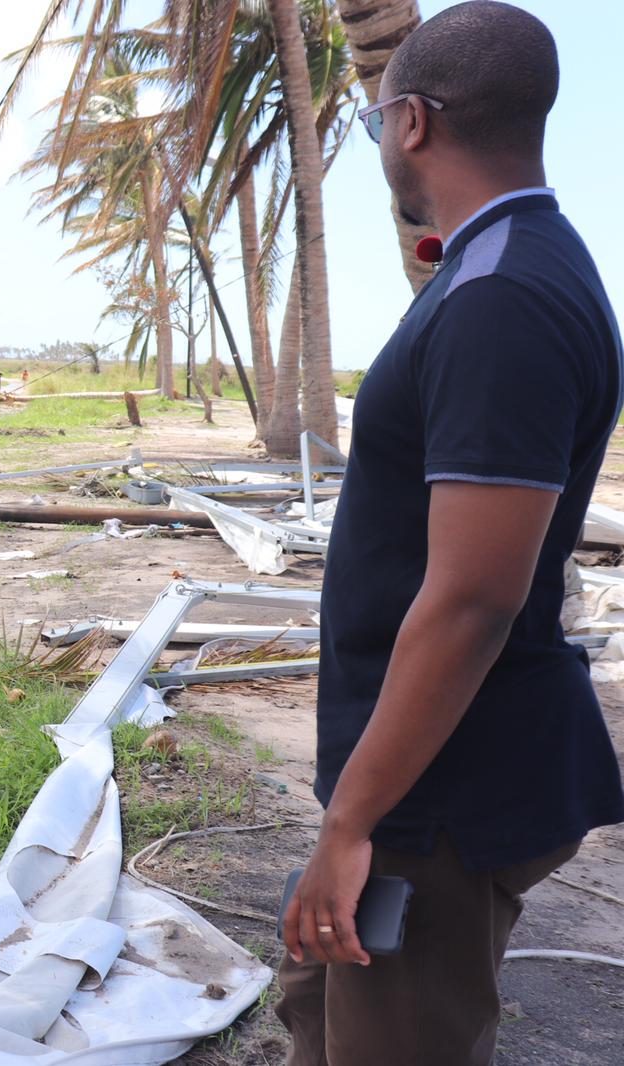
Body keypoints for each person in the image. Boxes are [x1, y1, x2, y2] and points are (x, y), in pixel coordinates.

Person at [276, 6, 624, 1065]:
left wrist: (351, 827)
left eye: (378, 120)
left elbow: (473, 598)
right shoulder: (499, 268)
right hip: (412, 778)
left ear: (413, 122)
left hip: (437, 798)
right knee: (315, 1008)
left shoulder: (499, 298)